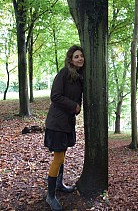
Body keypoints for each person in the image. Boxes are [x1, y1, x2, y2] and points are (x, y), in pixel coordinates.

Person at [44, 45, 85, 210]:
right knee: (58, 158)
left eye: (81, 56)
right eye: (76, 56)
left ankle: (59, 185)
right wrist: (74, 106)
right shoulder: (64, 73)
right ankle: (50, 196)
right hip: (57, 122)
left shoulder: (79, 77)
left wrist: (78, 105)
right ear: (70, 59)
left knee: (62, 155)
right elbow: (55, 96)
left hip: (67, 123)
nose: (80, 58)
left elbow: (77, 98)